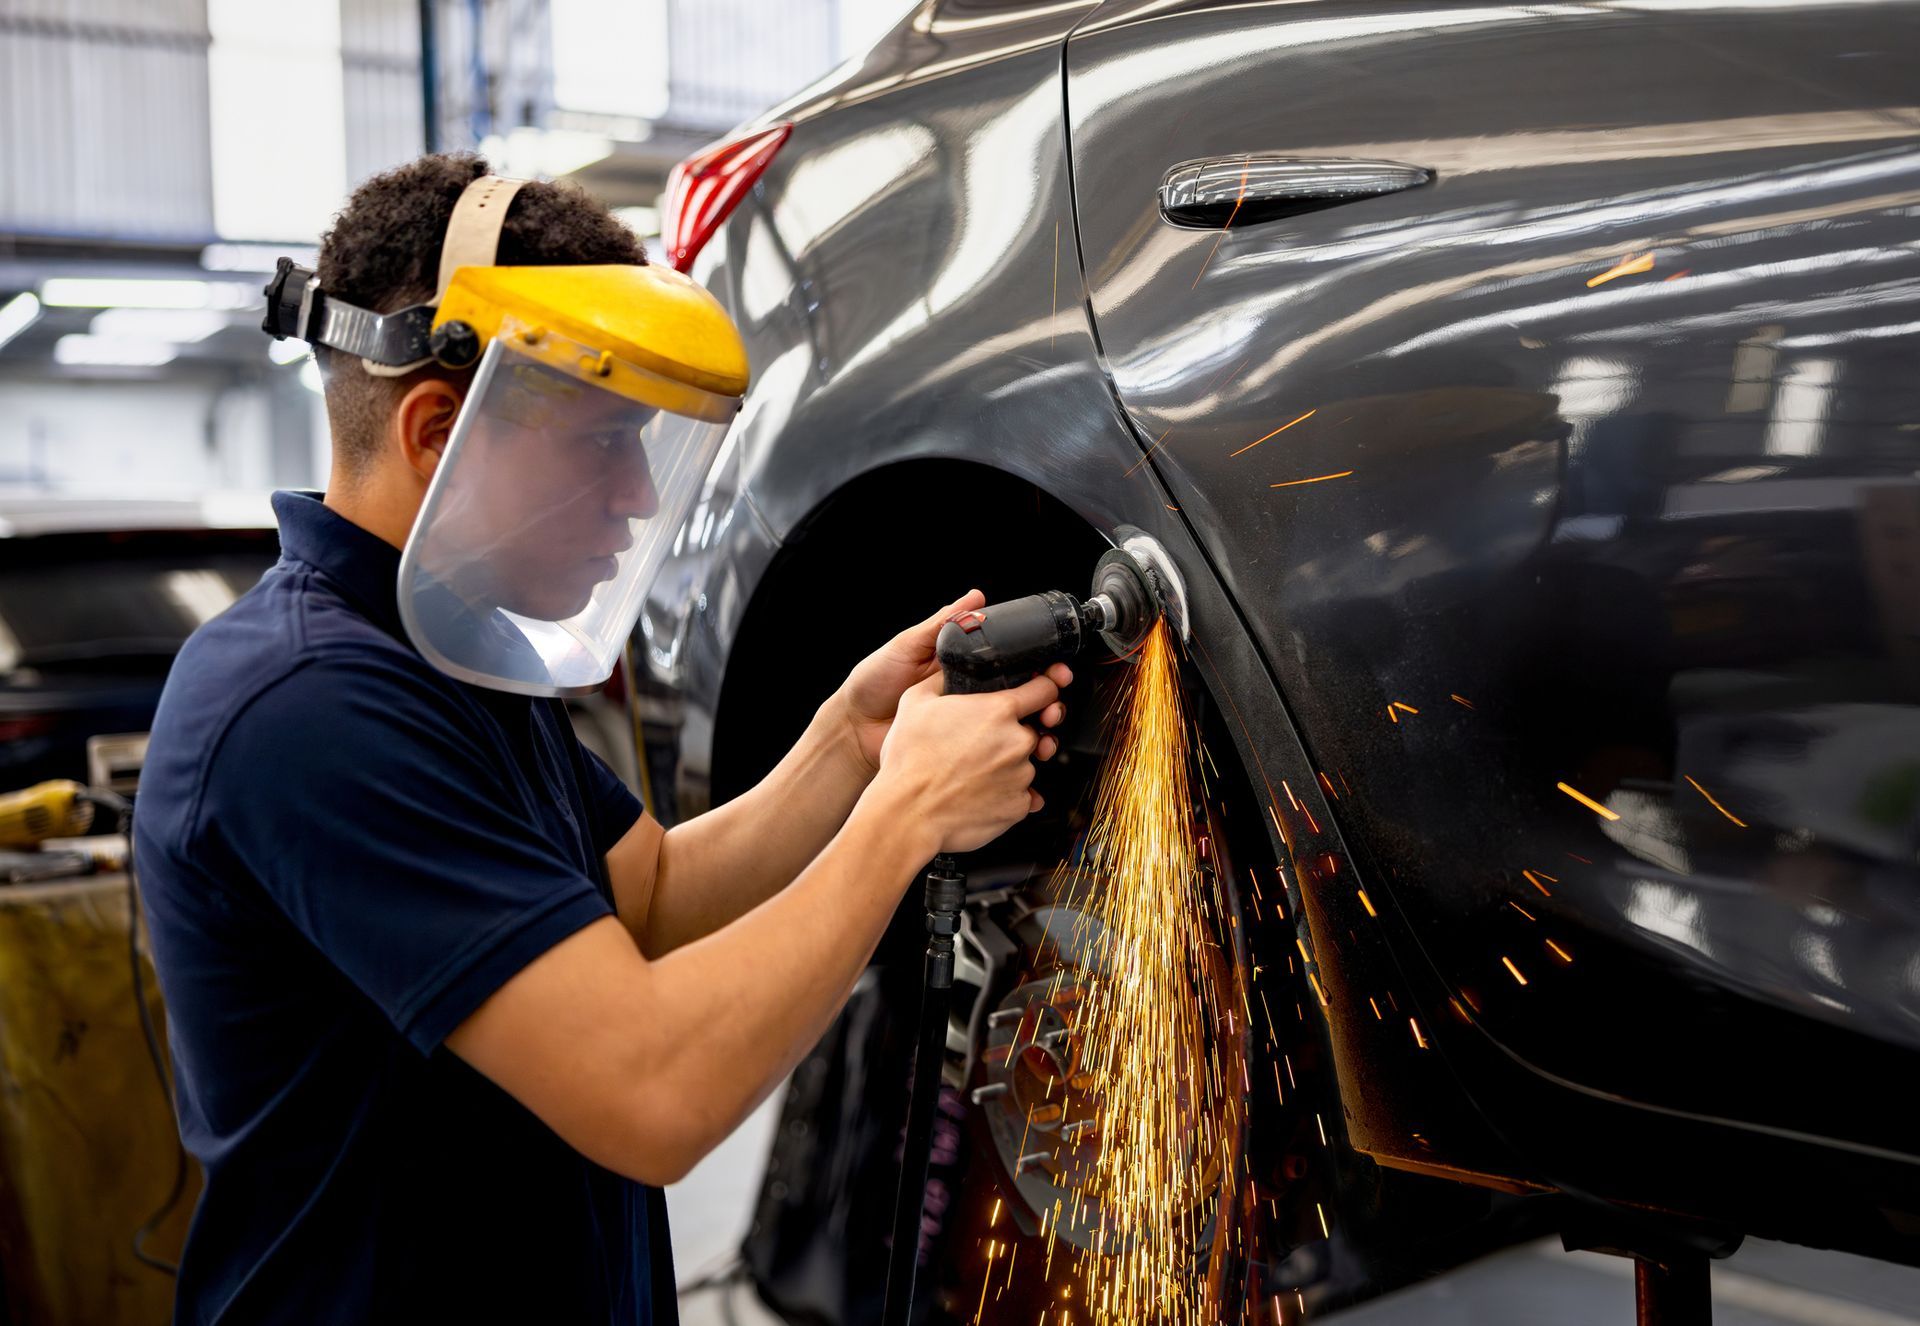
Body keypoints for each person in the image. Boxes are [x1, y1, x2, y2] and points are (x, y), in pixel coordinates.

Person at [133, 153, 1070, 1324]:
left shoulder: (452, 649)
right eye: (602, 441)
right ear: (438, 429)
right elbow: (654, 1092)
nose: (636, 497)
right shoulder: (308, 706)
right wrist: (904, 821)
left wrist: (851, 744)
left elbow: (653, 893)